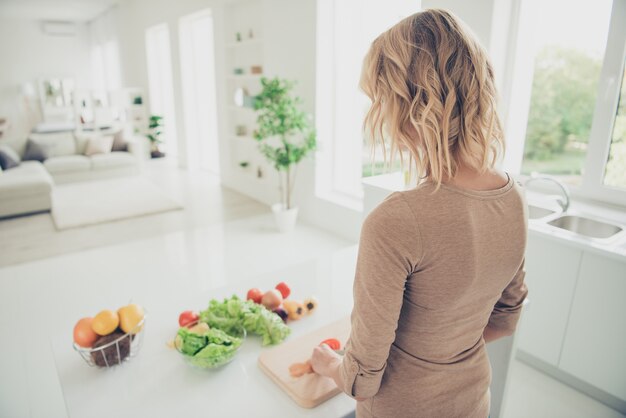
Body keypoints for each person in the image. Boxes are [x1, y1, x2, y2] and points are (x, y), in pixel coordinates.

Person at [310, 8, 528, 418]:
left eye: (379, 100)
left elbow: (362, 380)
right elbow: (505, 320)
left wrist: (328, 364)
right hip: (473, 401)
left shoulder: (397, 220)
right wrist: (443, 347)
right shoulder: (512, 197)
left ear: (408, 107)